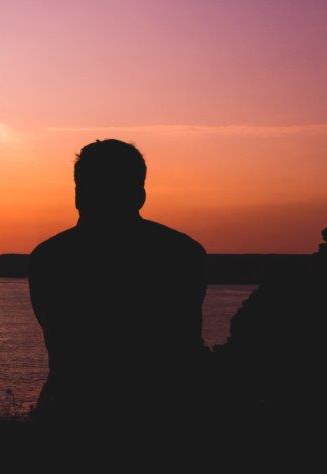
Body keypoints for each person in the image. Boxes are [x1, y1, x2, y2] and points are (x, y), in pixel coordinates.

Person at [28, 139, 206, 419]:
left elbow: (63, 338)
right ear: (140, 194)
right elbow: (184, 343)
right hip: (167, 410)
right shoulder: (184, 253)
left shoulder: (48, 258)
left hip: (72, 412)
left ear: (78, 194)